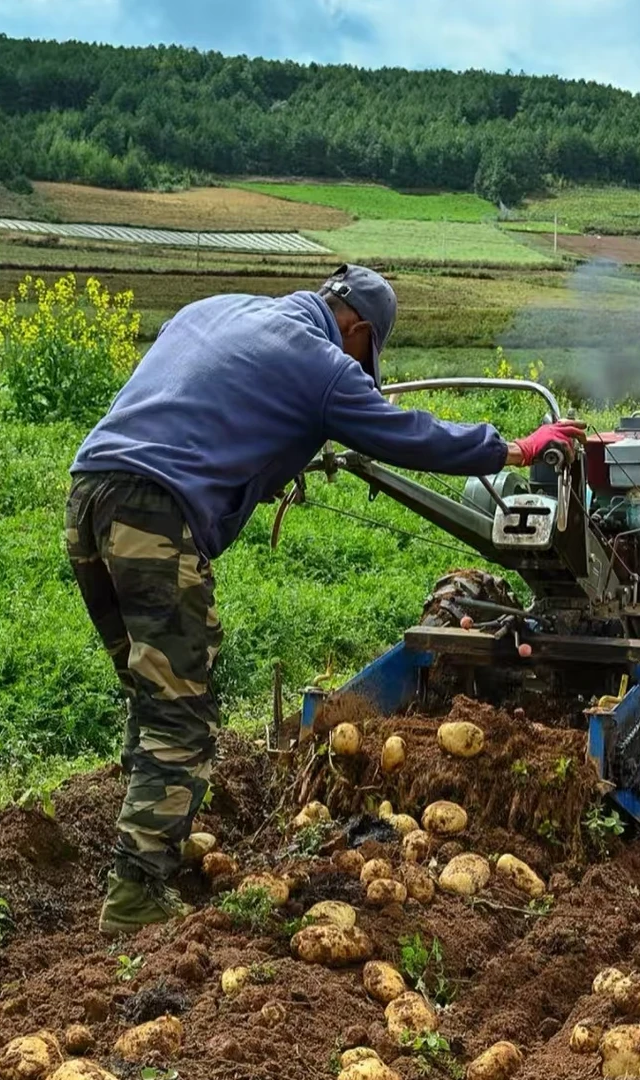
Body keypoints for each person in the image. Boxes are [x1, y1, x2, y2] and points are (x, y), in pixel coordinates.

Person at [65, 263, 585, 936]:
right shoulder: (321, 363)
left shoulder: (216, 306)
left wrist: (267, 451)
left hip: (89, 493)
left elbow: (203, 398)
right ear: (358, 330)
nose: (363, 372)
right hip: (154, 515)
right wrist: (515, 449)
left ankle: (142, 858)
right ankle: (135, 895)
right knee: (179, 711)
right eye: (368, 360)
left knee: (151, 691)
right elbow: (408, 434)